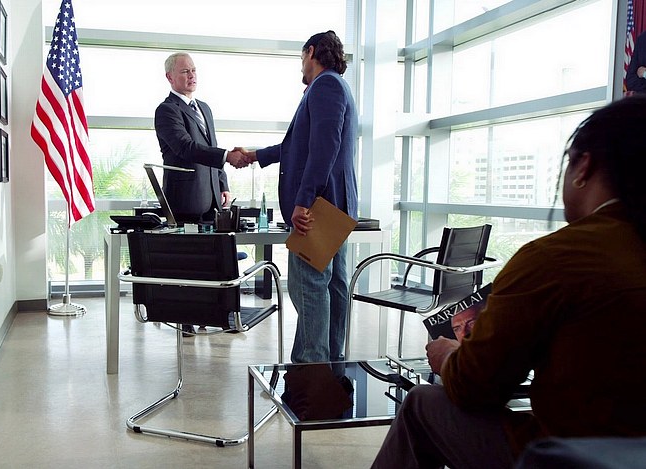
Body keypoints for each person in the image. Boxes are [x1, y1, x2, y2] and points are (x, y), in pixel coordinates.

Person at [371, 96, 646, 469]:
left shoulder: (555, 257)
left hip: (576, 458)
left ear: (584, 166)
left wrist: (447, 355)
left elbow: (473, 386)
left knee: (422, 403)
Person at [237, 31, 358, 363]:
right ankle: (329, 364)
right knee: (331, 286)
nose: (300, 66)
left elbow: (324, 147)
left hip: (320, 207)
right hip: (335, 204)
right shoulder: (337, 86)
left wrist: (303, 200)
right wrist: (255, 156)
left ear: (311, 52)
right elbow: (297, 146)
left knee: (309, 287)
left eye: (301, 57)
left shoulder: (325, 86)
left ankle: (311, 367)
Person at [154, 52, 246, 336]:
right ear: (170, 77)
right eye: (185, 71)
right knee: (187, 263)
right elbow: (185, 147)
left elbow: (211, 145)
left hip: (211, 198)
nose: (191, 75)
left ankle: (211, 315)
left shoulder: (204, 108)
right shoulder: (166, 110)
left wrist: (223, 183)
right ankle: (187, 319)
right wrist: (227, 156)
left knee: (212, 262)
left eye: (194, 70)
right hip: (184, 199)